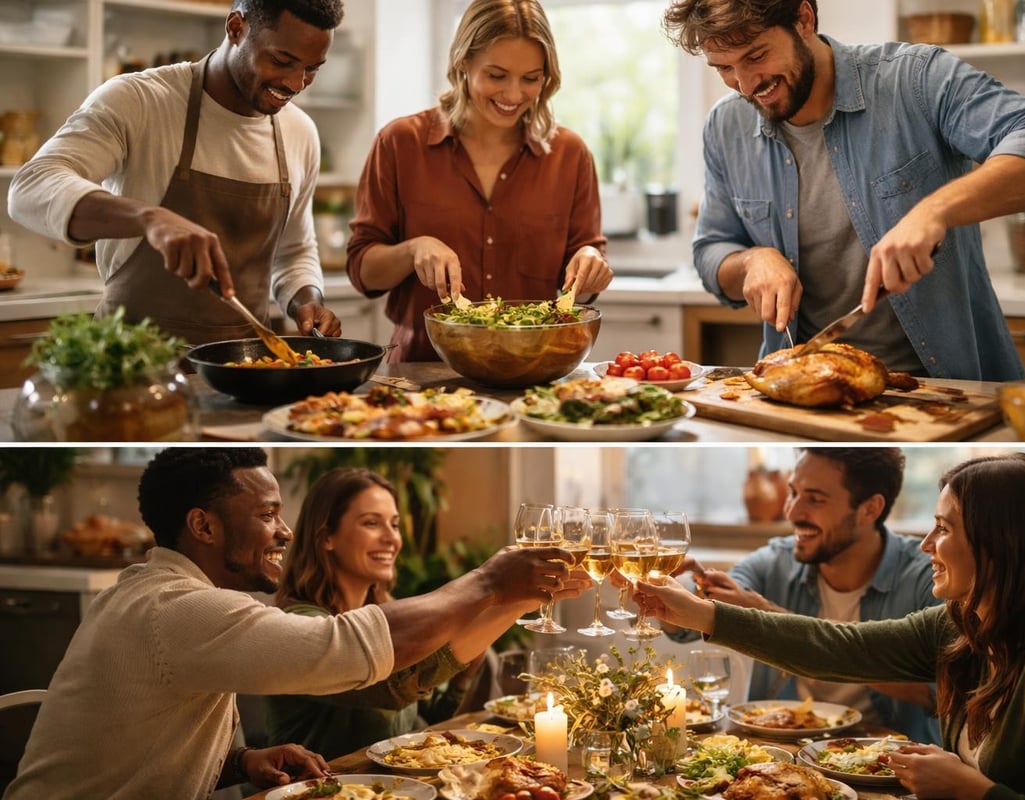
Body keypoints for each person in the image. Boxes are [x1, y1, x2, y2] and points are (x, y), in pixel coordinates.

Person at [5, 448, 582, 800]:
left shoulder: (152, 594)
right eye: (266, 515)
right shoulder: (178, 608)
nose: (284, 531)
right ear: (203, 528)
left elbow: (133, 741)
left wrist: (237, 762)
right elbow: (350, 650)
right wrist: (487, 583)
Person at [636, 452, 1025, 799]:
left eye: (944, 529)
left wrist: (974, 791)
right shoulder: (964, 626)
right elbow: (840, 647)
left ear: (1002, 544)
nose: (927, 545)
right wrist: (697, 612)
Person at [660, 0, 1025, 380]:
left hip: (947, 386)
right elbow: (712, 251)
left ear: (804, 18)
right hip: (807, 383)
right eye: (723, 68)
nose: (745, 84)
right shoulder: (726, 125)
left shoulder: (915, 80)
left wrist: (936, 211)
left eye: (755, 55)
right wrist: (755, 260)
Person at [6, 0, 345, 344]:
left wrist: (307, 299)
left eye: (312, 69)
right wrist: (149, 218)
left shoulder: (300, 132)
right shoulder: (140, 100)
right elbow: (31, 187)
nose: (296, 83)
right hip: (132, 365)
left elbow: (294, 250)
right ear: (236, 28)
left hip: (246, 370)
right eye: (281, 61)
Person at [346, 0, 613, 364]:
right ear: (463, 63)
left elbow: (585, 264)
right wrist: (413, 250)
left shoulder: (570, 154)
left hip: (533, 373)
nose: (514, 95)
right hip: (421, 374)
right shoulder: (400, 143)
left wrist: (590, 260)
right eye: (497, 75)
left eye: (531, 78)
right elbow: (363, 270)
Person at [668, 447, 941, 743]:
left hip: (889, 764)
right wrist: (689, 587)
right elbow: (689, 625)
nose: (792, 512)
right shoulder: (776, 561)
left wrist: (766, 615)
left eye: (815, 499)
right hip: (778, 754)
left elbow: (937, 695)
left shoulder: (928, 577)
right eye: (793, 493)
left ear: (870, 509)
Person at [265, 467, 515, 759]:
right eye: (371, 523)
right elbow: (389, 692)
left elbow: (423, 726)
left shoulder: (385, 613)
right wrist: (488, 590)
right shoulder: (301, 627)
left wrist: (462, 676)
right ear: (326, 537)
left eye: (395, 525)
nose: (391, 539)